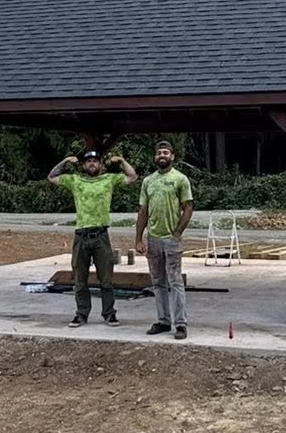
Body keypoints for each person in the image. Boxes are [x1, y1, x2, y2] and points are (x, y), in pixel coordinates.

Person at [47, 147, 137, 324]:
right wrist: (65, 162)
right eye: (88, 161)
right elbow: (51, 177)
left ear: (100, 165)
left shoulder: (109, 179)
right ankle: (81, 313)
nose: (92, 163)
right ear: (84, 165)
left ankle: (109, 313)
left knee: (106, 279)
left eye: (95, 161)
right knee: (80, 280)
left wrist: (121, 161)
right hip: (81, 235)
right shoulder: (75, 180)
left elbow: (132, 177)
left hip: (101, 235)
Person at [136, 139, 193, 340]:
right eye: (159, 153)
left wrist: (177, 233)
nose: (162, 156)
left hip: (171, 239)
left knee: (175, 281)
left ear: (172, 157)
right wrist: (139, 239)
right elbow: (143, 211)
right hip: (153, 239)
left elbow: (188, 207)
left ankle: (181, 324)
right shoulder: (148, 181)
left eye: (166, 153)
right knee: (158, 282)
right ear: (155, 157)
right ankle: (163, 321)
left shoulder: (180, 179)